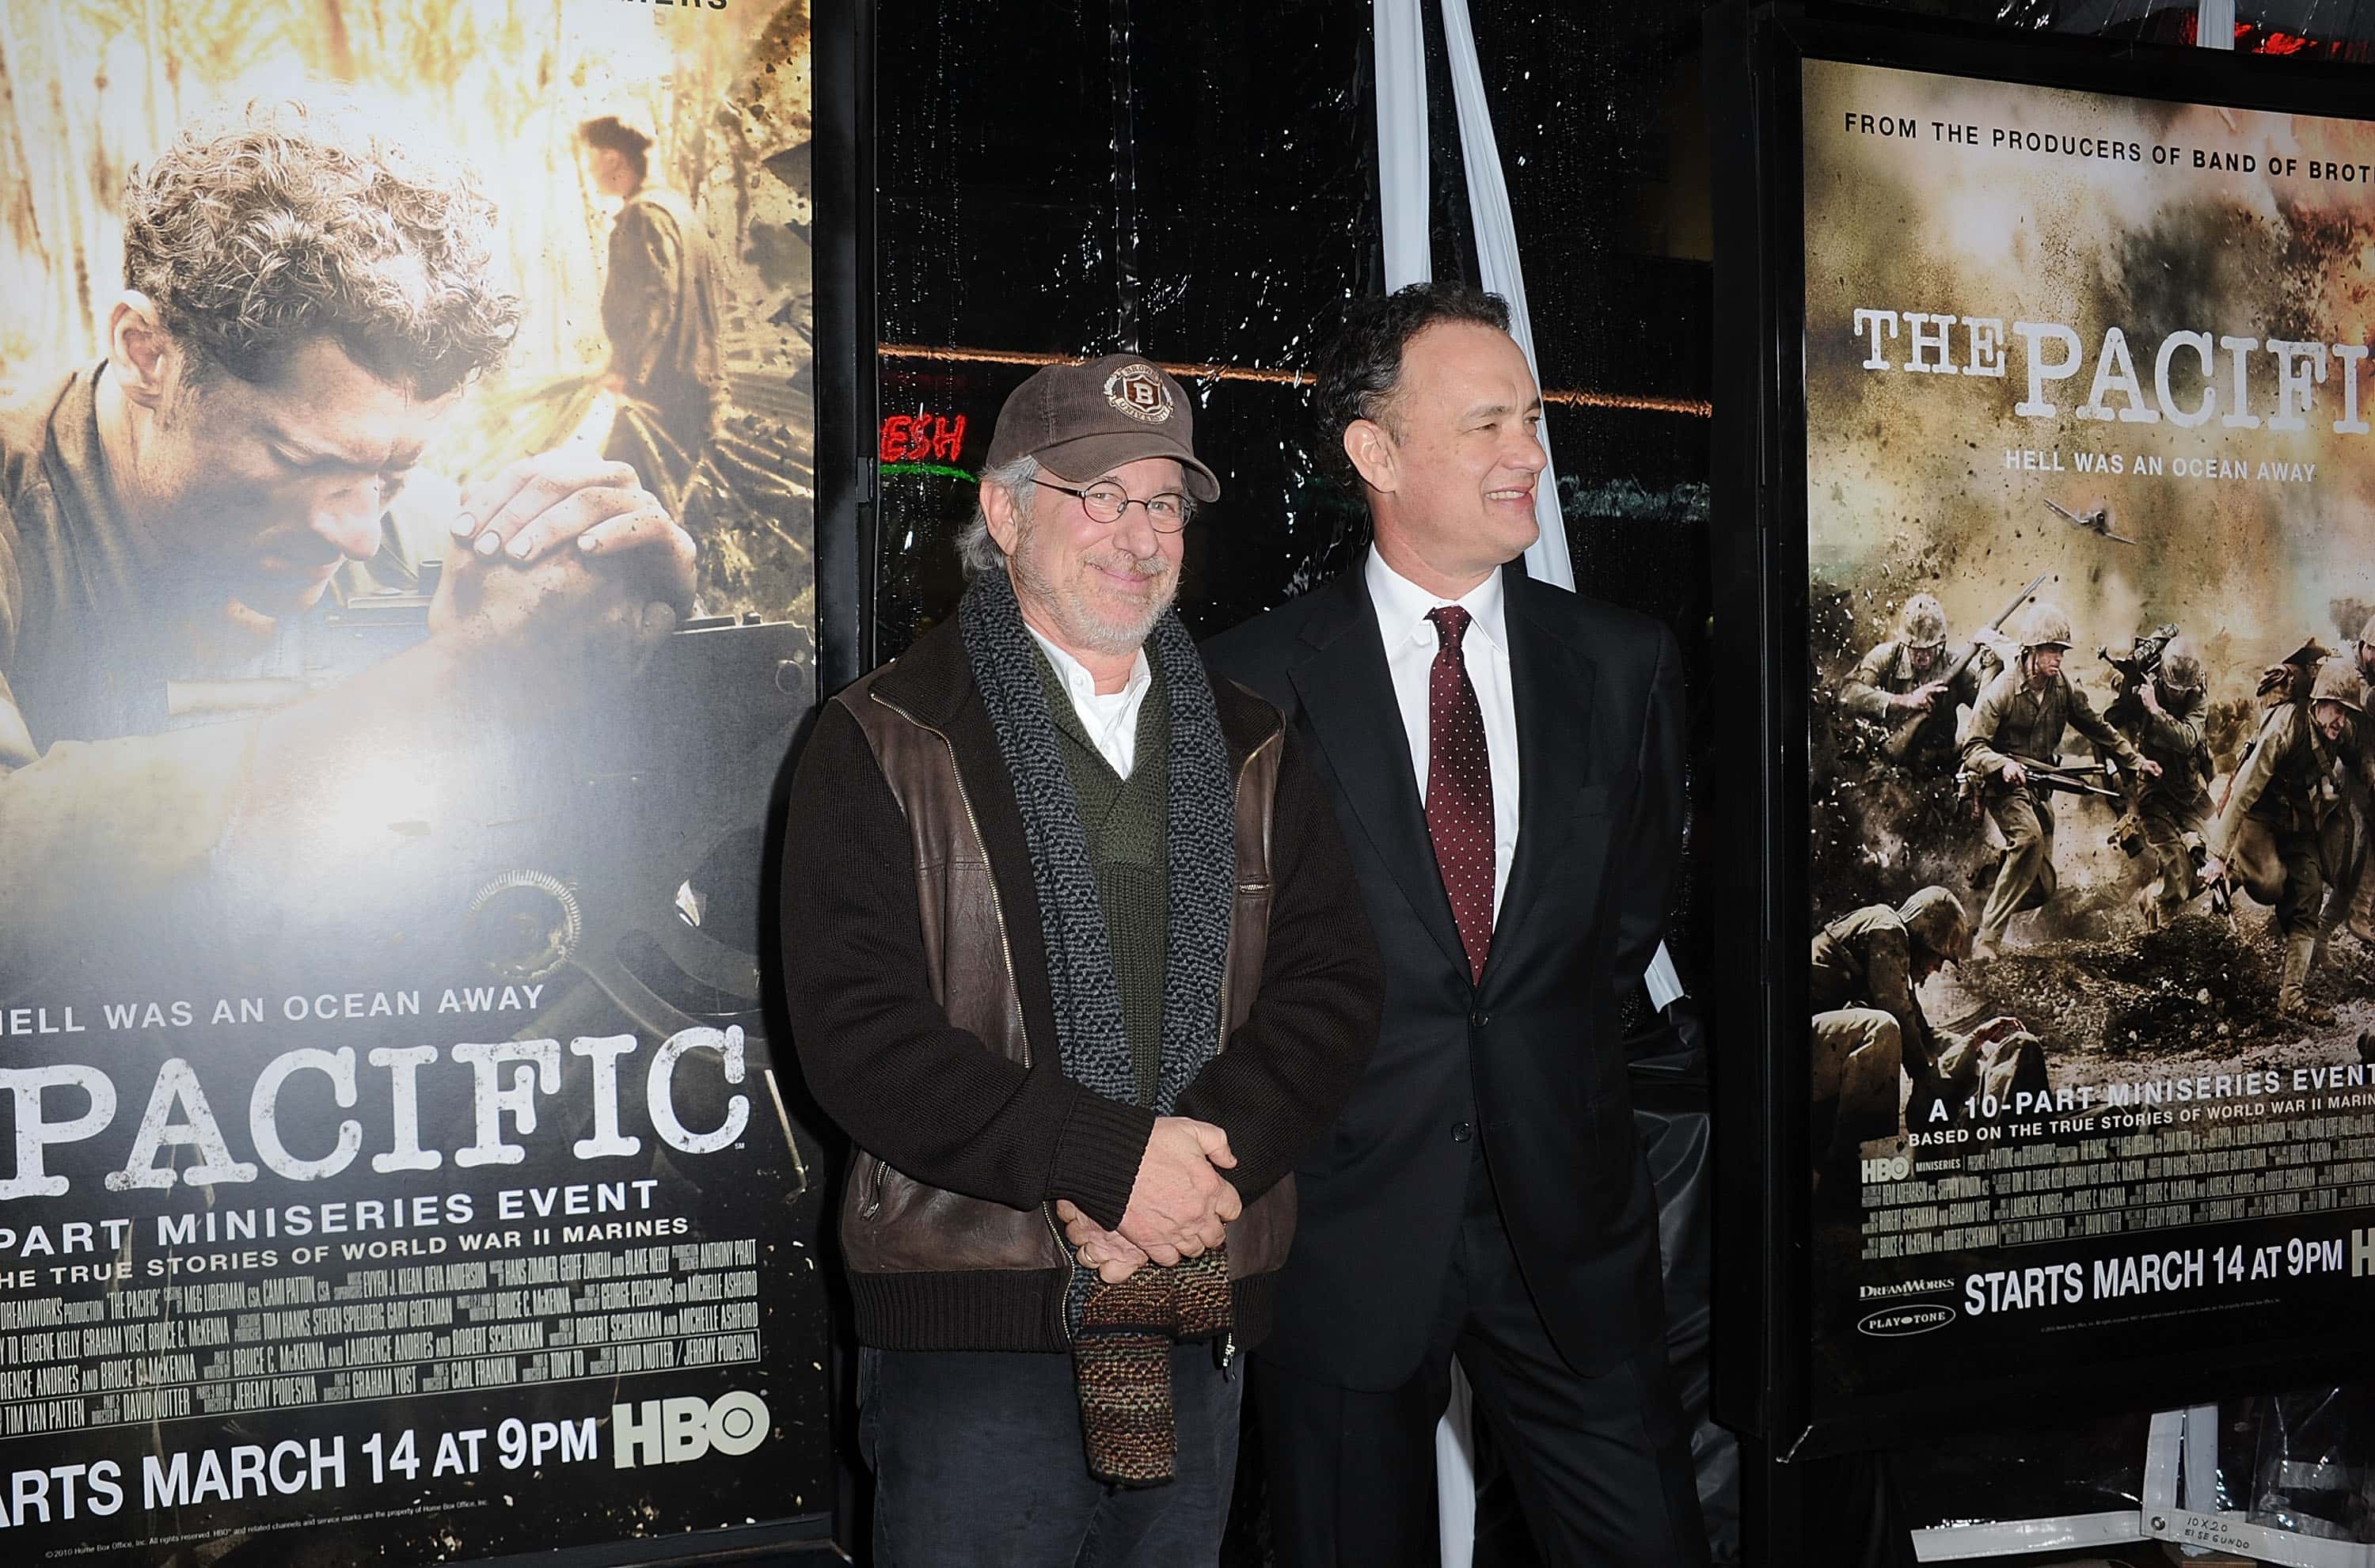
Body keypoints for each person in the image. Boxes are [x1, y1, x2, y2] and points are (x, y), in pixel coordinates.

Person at [779, 355, 1382, 1565]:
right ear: (1005, 513)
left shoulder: (1256, 742)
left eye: (1163, 503)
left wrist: (1187, 1180)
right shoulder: (882, 736)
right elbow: (861, 1038)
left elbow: (1333, 989)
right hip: (974, 1331)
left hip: (1198, 1302)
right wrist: (1108, 1166)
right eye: (1099, 496)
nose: (1139, 535)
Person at [1201, 283, 1708, 1566]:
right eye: (1487, 424)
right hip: (1341, 1232)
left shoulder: (1625, 664)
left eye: (1531, 419)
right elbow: (1225, 972)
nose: (1528, 453)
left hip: (1573, 1231)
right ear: (1376, 453)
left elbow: (1621, 922)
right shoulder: (1249, 683)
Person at [0, 99, 695, 988]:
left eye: (397, 470)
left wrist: (644, 637)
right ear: (148, 354)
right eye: (304, 462)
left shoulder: (428, 534)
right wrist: (449, 689)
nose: (361, 531)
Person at [1959, 601, 2159, 961]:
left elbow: (2098, 728)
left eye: (2061, 651)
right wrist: (2002, 764)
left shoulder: (2061, 687)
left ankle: (1980, 890)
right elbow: (1973, 748)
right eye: (2052, 650)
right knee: (2029, 840)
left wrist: (2136, 760)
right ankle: (1986, 942)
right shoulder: (2002, 690)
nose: (2058, 658)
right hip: (2003, 786)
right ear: (2032, 651)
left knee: (2043, 886)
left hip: (2039, 786)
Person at [579, 113, 726, 503]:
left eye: (592, 158)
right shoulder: (677, 211)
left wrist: (627, 371)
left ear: (613, 158)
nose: (590, 170)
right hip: (694, 387)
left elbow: (657, 303)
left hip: (664, 393)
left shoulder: (645, 216)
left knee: (621, 499)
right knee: (657, 501)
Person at [2209, 657, 2363, 1025]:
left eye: (2346, 712)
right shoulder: (2285, 727)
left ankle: (2291, 997)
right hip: (2259, 815)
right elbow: (2244, 790)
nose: (2340, 720)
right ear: (2318, 703)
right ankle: (2233, 872)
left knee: (2308, 892)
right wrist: (2217, 854)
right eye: (2336, 710)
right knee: (2270, 885)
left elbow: (2361, 754)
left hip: (2297, 820)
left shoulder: (2340, 731)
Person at [1809, 887, 1969, 1181]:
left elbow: (1922, 1032)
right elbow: (1898, 1017)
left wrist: (1972, 1044)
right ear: (1923, 935)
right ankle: (1863, 1174)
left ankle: (1840, 1168)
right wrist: (1924, 1078)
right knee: (1881, 1030)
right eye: (1938, 956)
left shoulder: (1890, 946)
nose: (1937, 968)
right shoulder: (1888, 930)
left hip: (1817, 1049)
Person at [2106, 634, 2213, 927]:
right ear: (2162, 678)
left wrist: (2155, 709)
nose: (2178, 695)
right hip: (2151, 791)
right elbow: (2107, 729)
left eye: (2184, 690)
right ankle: (2161, 921)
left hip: (2188, 790)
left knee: (2210, 863)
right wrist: (2121, 776)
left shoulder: (2197, 696)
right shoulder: (2140, 692)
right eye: (2173, 689)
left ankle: (2153, 896)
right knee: (2176, 866)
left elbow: (2187, 740)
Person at [1837, 592, 1986, 771]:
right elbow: (1848, 694)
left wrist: (1993, 665)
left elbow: (1989, 706)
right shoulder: (1886, 657)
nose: (1923, 656)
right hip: (1890, 762)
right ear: (1904, 643)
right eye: (1916, 649)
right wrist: (1904, 700)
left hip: (1939, 766)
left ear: (1941, 643)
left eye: (1929, 648)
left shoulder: (1956, 668)